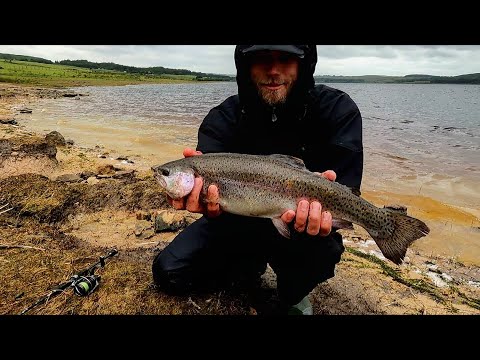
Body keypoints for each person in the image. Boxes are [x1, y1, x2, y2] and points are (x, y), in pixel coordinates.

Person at [152, 45, 363, 315]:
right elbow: (212, 203)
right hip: (233, 222)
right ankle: (245, 269)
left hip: (303, 233)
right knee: (169, 272)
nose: (273, 71)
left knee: (320, 254)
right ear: (245, 65)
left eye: (285, 59)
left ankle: (292, 293)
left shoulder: (337, 111)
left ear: (303, 63)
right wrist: (207, 206)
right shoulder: (222, 119)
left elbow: (348, 190)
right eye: (262, 59)